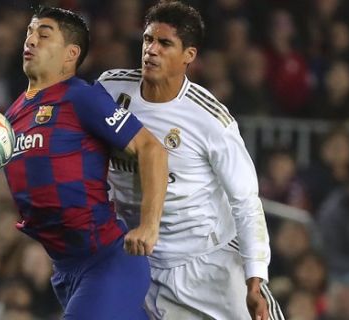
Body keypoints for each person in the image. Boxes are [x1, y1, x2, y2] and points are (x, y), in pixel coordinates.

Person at [98, 1, 284, 319]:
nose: (151, 50)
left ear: (189, 55)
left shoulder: (210, 119)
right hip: (139, 264)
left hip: (209, 264)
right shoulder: (109, 89)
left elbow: (246, 200)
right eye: (147, 40)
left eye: (165, 43)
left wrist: (255, 279)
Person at [3, 6, 168, 320]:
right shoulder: (12, 115)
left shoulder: (81, 98)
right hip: (65, 271)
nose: (31, 40)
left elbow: (152, 149)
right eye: (29, 32)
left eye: (43, 34)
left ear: (71, 53)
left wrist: (148, 225)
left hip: (107, 260)